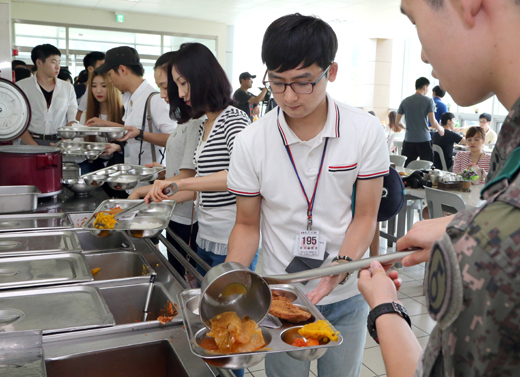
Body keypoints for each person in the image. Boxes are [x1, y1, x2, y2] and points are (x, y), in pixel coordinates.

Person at [358, 1, 520, 376]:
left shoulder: (490, 246)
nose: (421, 51)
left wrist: (384, 307)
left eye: (415, 19)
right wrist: (468, 224)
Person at [226, 14, 389, 377]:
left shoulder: (364, 130)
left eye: (302, 83)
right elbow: (247, 224)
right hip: (280, 296)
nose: (288, 96)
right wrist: (234, 282)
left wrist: (340, 269)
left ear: (330, 72)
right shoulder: (252, 140)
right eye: (278, 83)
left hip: (346, 295)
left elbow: (365, 216)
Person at [144, 43, 258, 273]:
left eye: (184, 83)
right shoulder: (203, 124)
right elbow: (199, 186)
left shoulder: (234, 119)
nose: (182, 93)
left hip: (231, 239)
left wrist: (179, 182)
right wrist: (162, 192)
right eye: (177, 85)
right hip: (205, 235)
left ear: (204, 77)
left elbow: (240, 176)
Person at [128, 51, 201, 277]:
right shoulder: (184, 121)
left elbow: (192, 176)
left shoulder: (196, 122)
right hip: (174, 210)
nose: (162, 94)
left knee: (183, 276)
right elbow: (186, 165)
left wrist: (142, 191)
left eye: (164, 86)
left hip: (187, 215)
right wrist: (163, 172)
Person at [88, 46, 176, 167]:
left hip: (152, 178)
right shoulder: (129, 98)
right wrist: (105, 124)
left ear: (122, 70)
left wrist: (141, 134)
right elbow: (133, 130)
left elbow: (174, 139)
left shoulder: (155, 99)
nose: (110, 80)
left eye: (110, 74)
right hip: (134, 174)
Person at [16, 44, 78, 146]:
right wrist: (34, 146)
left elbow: (72, 117)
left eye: (59, 62)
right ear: (39, 63)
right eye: (53, 62)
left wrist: (64, 140)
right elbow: (18, 121)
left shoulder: (68, 87)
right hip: (30, 142)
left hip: (59, 141)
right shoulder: (22, 86)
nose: (58, 67)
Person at [397, 77, 444, 166]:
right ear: (424, 87)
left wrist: (407, 128)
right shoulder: (428, 101)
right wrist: (440, 129)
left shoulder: (405, 101)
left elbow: (397, 122)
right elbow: (433, 121)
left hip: (408, 139)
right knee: (427, 166)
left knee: (406, 167)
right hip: (424, 140)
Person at [76, 51, 105, 121]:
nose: (106, 70)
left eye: (103, 86)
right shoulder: (78, 89)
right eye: (102, 67)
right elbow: (79, 114)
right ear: (90, 69)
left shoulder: (114, 86)